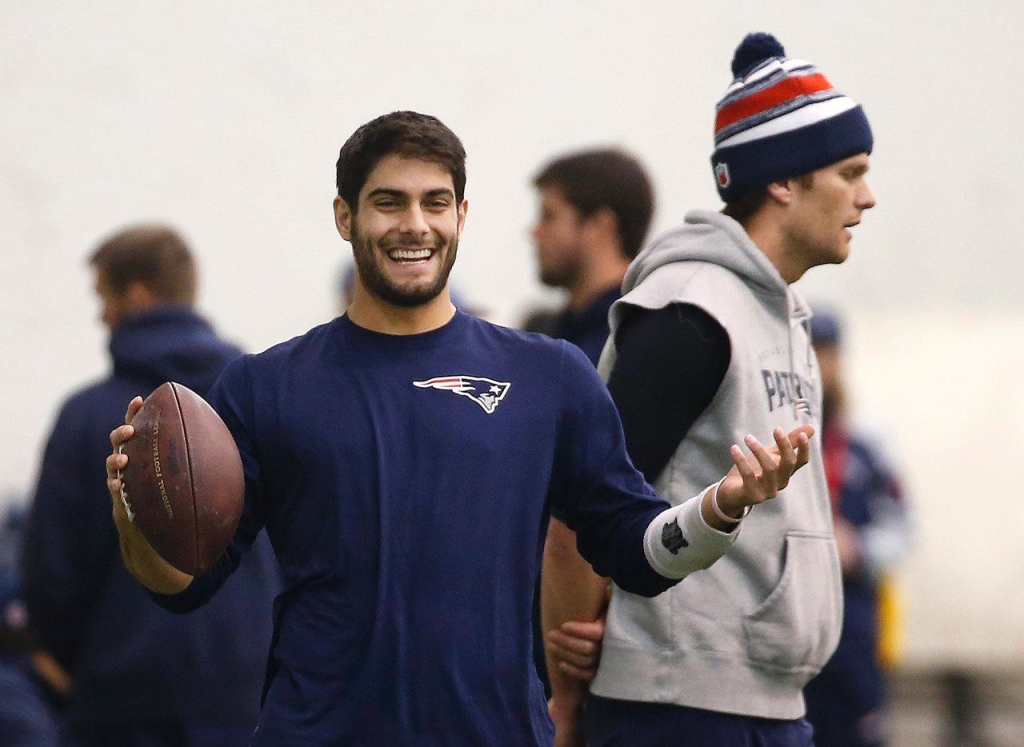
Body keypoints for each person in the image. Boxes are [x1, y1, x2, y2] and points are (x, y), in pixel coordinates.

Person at [103, 111, 814, 746]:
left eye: (434, 202)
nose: (415, 223)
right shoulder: (265, 386)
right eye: (389, 202)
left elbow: (636, 554)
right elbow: (184, 585)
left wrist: (720, 508)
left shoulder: (550, 376)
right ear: (345, 217)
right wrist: (135, 508)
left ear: (462, 215)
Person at [543, 32, 877, 746]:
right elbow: (578, 512)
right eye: (850, 172)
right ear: (783, 180)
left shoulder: (780, 310)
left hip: (769, 706)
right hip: (679, 711)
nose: (867, 197)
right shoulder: (690, 311)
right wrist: (566, 700)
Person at [22, 225, 280, 746]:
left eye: (103, 298)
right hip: (243, 691)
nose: (100, 316)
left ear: (136, 294)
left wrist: (87, 665)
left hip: (120, 703)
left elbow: (50, 574)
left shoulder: (86, 415)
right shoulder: (259, 402)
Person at [802, 309, 910, 747]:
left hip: (855, 634)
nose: (820, 365)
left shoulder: (865, 445)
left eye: (827, 353)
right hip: (797, 632)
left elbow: (903, 527)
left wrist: (859, 548)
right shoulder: (784, 436)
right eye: (812, 352)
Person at [527, 148, 655, 366]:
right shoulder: (546, 333)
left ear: (600, 225)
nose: (535, 232)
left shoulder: (642, 340)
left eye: (549, 216)